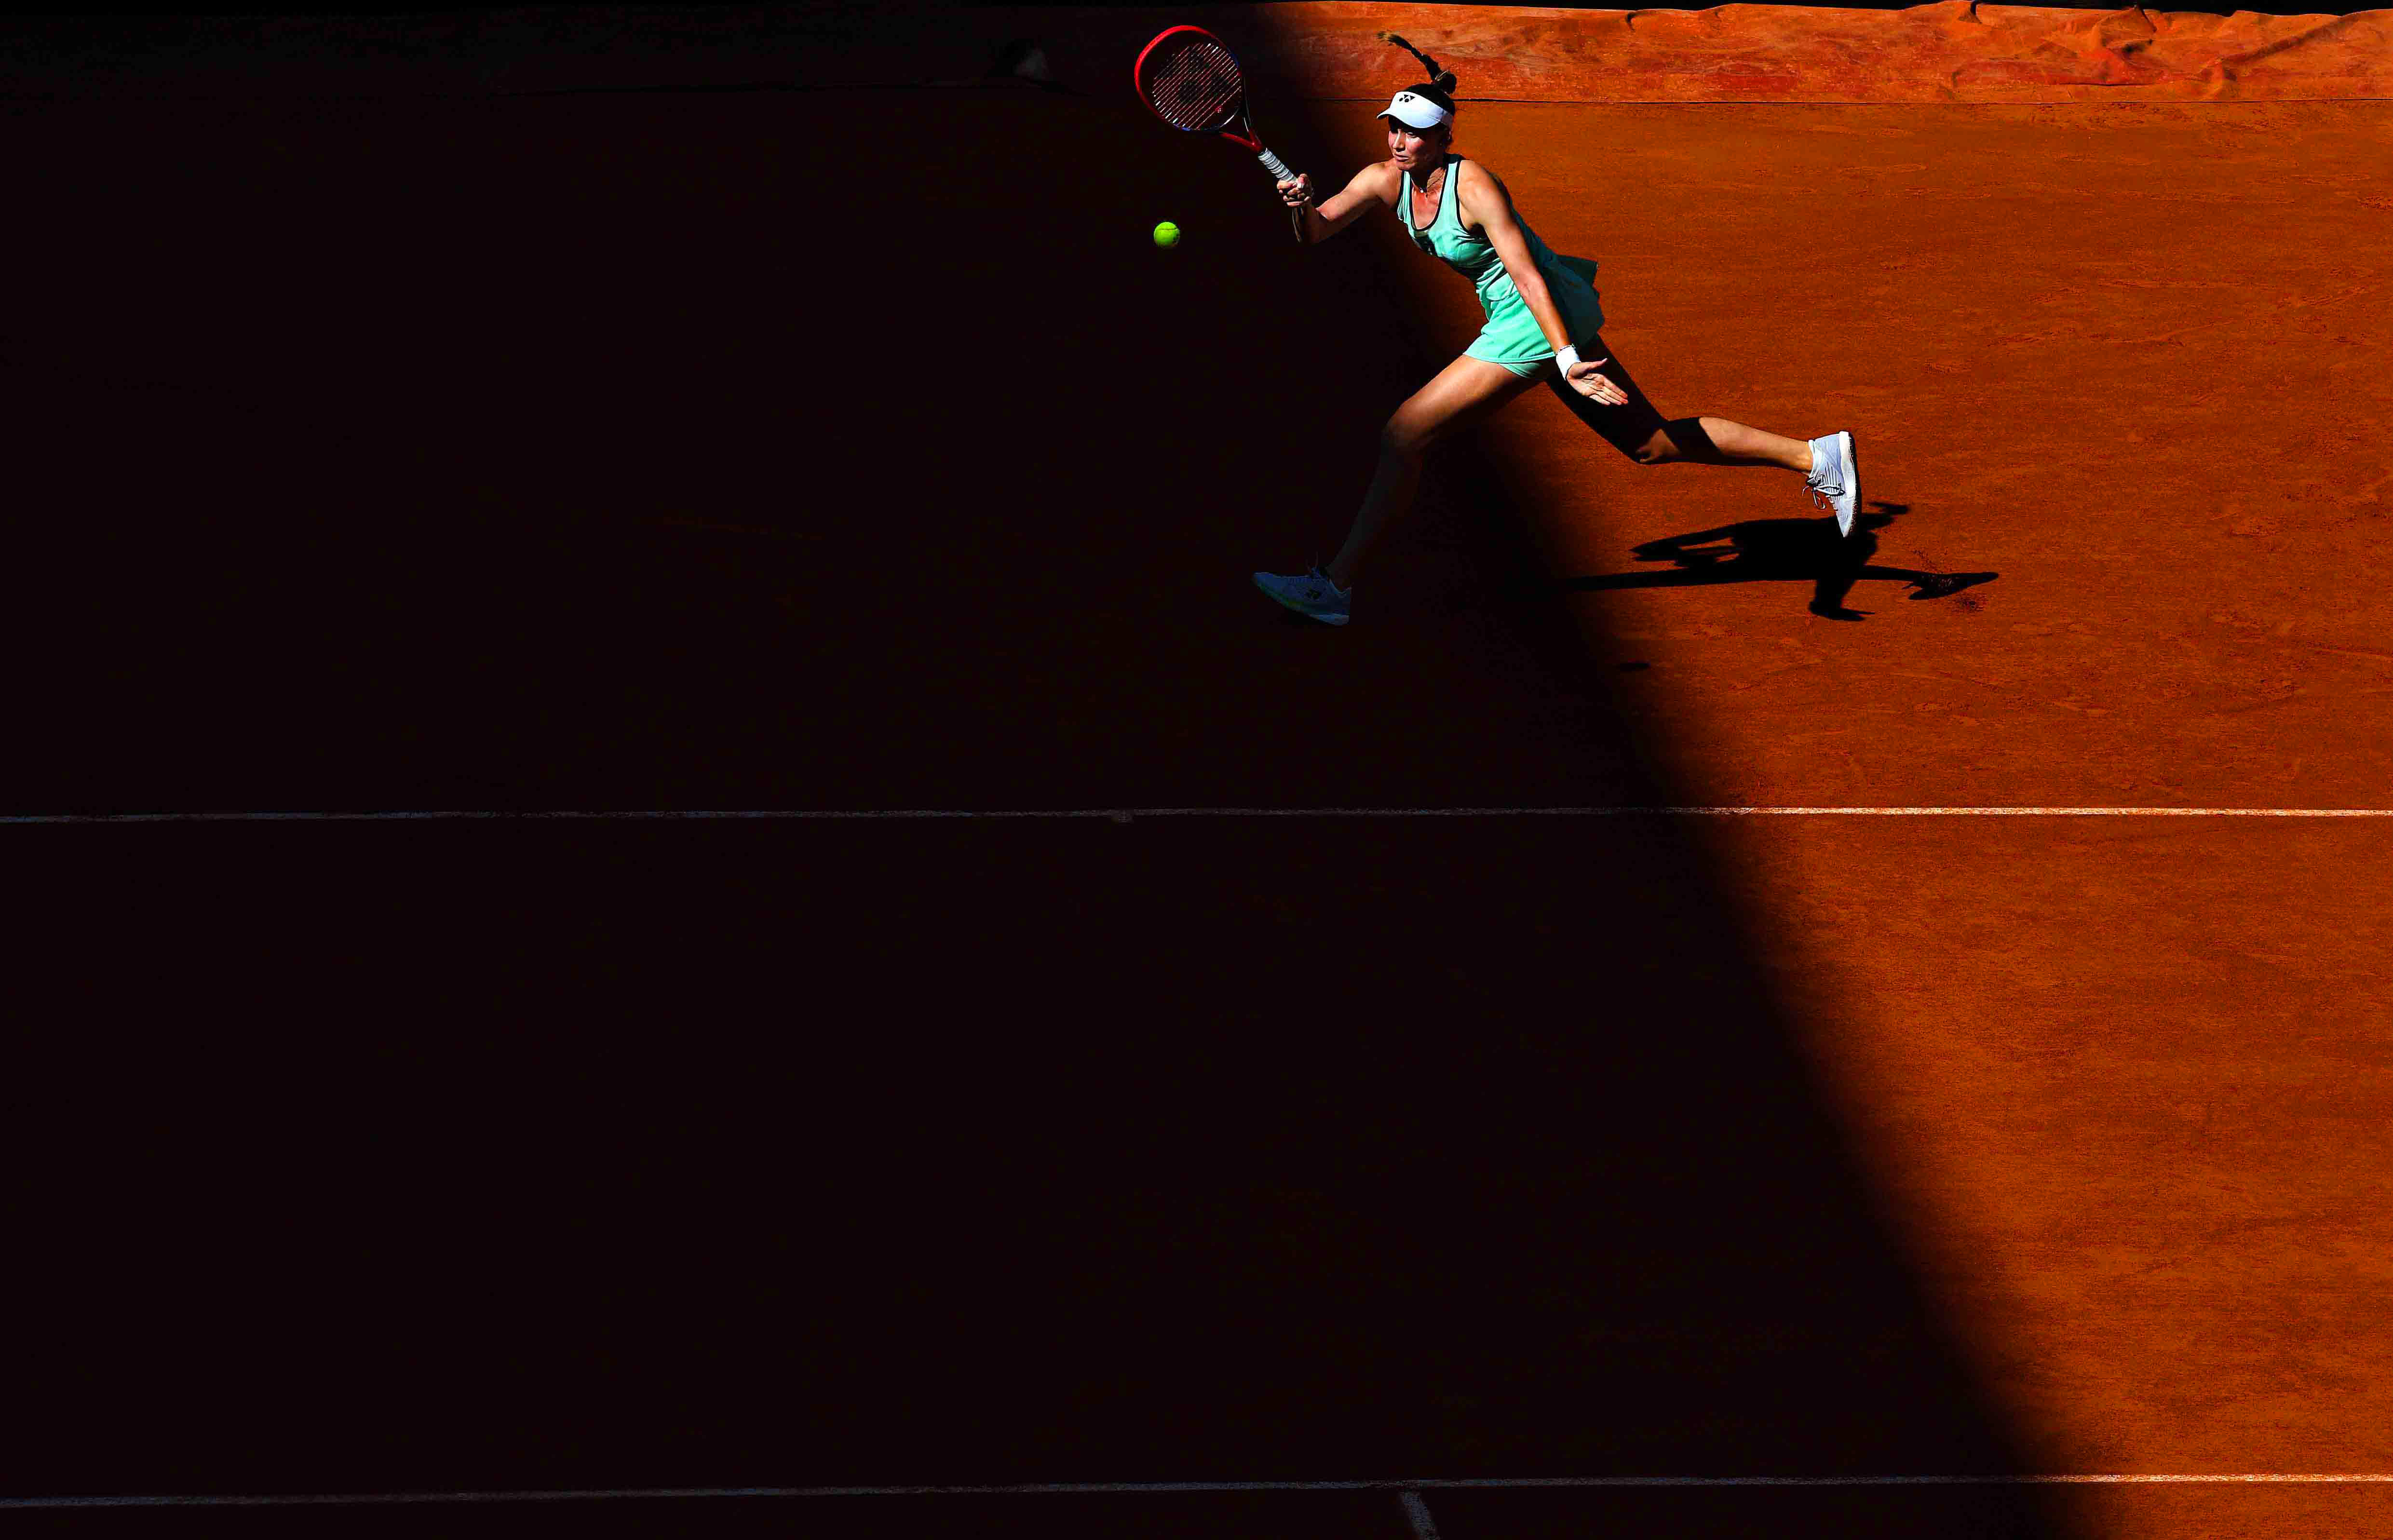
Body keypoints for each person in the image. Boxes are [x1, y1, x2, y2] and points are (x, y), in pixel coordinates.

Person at [1253, 34, 1861, 628]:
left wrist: (1566, 357)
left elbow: (1525, 274)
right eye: (1393, 127)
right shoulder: (1383, 178)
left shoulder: (1476, 185)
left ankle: (1335, 585)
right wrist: (1299, 204)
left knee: (1403, 434)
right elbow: (1318, 231)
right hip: (1533, 321)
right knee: (1649, 443)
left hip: (1535, 317)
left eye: (1414, 132)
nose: (1399, 141)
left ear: (1445, 137)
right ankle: (1813, 455)